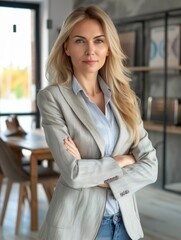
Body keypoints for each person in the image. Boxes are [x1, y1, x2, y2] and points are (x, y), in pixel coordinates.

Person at [37, 5, 158, 240]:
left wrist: (92, 171)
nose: (90, 50)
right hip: (78, 226)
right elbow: (73, 173)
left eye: (99, 41)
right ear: (67, 47)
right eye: (80, 41)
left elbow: (151, 167)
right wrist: (122, 160)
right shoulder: (52, 98)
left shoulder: (126, 99)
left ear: (108, 48)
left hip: (125, 224)